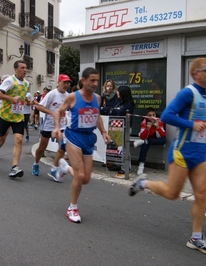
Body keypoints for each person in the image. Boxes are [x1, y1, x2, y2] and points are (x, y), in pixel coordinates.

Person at [129, 57, 206, 255]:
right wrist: (192, 125)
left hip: (200, 153)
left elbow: (200, 118)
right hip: (182, 151)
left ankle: (196, 238)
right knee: (172, 193)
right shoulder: (188, 92)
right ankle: (143, 183)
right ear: (196, 74)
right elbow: (167, 115)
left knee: (202, 194)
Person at [52, 67, 111, 223]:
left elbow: (96, 115)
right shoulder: (73, 97)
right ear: (83, 81)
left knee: (86, 179)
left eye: (97, 80)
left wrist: (104, 132)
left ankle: (65, 167)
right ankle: (72, 208)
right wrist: (57, 127)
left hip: (88, 138)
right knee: (79, 176)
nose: (95, 83)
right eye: (92, 80)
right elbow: (58, 111)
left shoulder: (97, 98)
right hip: (73, 136)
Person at [0, 60, 30, 178]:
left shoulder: (26, 83)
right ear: (15, 69)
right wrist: (11, 99)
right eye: (22, 67)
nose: (24, 70)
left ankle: (14, 167)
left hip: (18, 116)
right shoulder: (10, 80)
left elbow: (21, 96)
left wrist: (27, 101)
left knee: (19, 139)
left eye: (25, 68)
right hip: (5, 115)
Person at [32, 74, 71, 181]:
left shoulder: (68, 96)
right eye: (64, 82)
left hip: (62, 125)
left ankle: (54, 169)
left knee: (62, 146)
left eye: (68, 83)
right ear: (58, 82)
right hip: (49, 125)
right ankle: (36, 163)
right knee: (42, 148)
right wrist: (52, 113)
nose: (66, 85)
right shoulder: (52, 94)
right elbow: (39, 106)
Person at [109, 85, 134, 177]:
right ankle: (119, 164)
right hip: (118, 128)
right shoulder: (119, 102)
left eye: (118, 91)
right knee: (118, 147)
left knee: (124, 148)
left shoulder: (128, 104)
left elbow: (119, 113)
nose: (117, 93)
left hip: (125, 128)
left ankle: (126, 167)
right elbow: (112, 110)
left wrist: (115, 110)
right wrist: (115, 110)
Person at [133, 108, 166, 175]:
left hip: (156, 139)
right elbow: (142, 137)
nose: (152, 117)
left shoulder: (159, 121)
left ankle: (145, 141)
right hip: (146, 138)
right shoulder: (144, 122)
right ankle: (141, 165)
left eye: (154, 115)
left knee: (164, 140)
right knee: (145, 144)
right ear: (147, 116)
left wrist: (158, 128)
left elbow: (162, 136)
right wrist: (147, 129)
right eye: (150, 115)